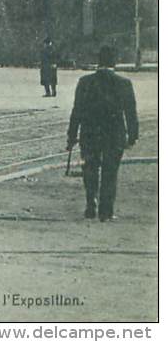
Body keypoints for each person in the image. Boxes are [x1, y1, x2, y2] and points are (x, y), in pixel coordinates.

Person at [66, 46, 139, 222]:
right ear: (114, 62)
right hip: (114, 135)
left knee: (90, 170)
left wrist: (72, 135)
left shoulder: (85, 82)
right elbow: (131, 113)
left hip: (89, 133)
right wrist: (133, 136)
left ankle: (91, 205)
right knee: (110, 172)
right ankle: (106, 212)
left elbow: (77, 111)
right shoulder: (124, 83)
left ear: (99, 61)